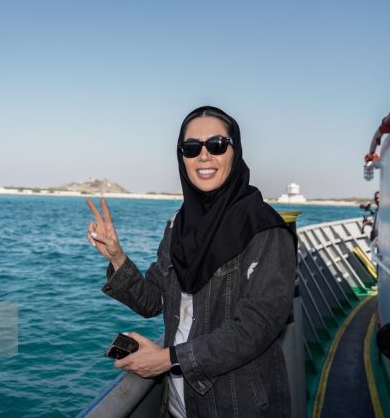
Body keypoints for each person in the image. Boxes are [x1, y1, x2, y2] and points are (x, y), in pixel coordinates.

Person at [86, 105, 298, 417]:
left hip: (239, 407)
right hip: (178, 405)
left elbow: (258, 326)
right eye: (190, 148)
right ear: (181, 157)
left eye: (216, 145)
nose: (203, 156)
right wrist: (118, 258)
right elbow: (152, 301)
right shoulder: (178, 226)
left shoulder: (265, 229)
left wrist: (168, 358)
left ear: (234, 152)